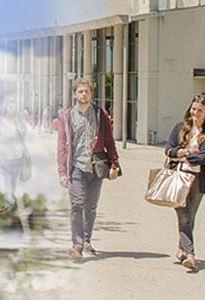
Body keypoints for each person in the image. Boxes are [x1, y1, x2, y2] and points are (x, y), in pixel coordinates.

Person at [55, 77, 120, 258]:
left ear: (91, 94)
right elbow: (62, 146)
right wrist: (62, 172)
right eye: (80, 91)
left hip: (96, 167)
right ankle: (77, 245)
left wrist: (114, 164)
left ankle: (86, 239)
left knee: (91, 206)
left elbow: (109, 141)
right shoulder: (67, 116)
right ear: (75, 94)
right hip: (76, 168)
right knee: (77, 205)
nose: (84, 94)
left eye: (87, 91)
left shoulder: (100, 114)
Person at [163, 95, 205, 271]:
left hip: (197, 180)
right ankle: (190, 255)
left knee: (190, 217)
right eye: (194, 109)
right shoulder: (180, 128)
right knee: (184, 216)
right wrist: (187, 151)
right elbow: (168, 149)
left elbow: (202, 157)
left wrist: (179, 155)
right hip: (178, 176)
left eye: (200, 110)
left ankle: (181, 248)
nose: (195, 113)